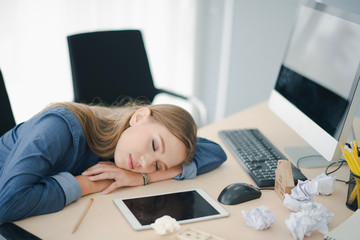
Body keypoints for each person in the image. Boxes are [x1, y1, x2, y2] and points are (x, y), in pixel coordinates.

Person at [0, 102, 226, 223]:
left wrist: (141, 178)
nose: (144, 163)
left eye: (157, 165)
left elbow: (215, 152)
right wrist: (87, 184)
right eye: (155, 145)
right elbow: (6, 205)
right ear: (138, 117)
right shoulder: (58, 127)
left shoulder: (125, 147)